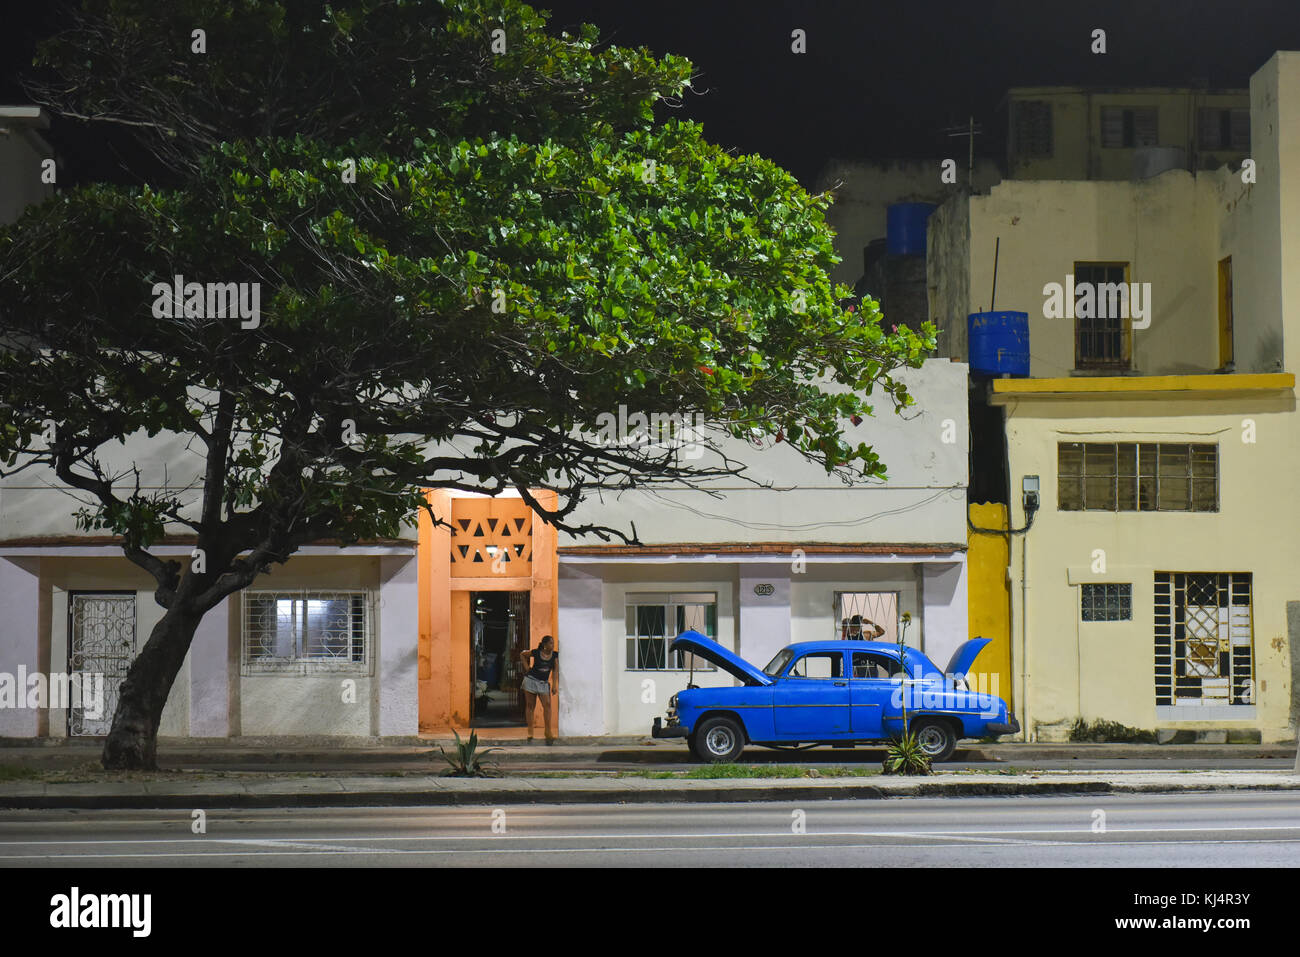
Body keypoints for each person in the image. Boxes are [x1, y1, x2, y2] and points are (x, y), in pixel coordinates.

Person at [520, 634, 558, 743]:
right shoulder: (536, 652)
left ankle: (548, 731)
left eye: (553, 642)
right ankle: (530, 732)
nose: (553, 645)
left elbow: (555, 670)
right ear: (545, 644)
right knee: (530, 706)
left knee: (547, 705)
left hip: (543, 683)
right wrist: (527, 668)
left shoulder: (555, 655)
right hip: (530, 681)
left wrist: (554, 685)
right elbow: (522, 655)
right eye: (551, 643)